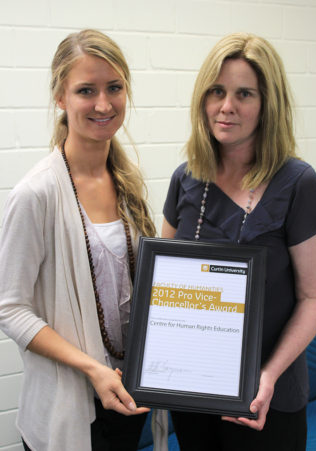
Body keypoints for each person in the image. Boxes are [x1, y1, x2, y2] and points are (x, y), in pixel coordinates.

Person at [162, 32, 316, 451]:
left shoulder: (298, 182)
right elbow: (161, 287)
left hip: (266, 400)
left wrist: (267, 377)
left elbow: (313, 298)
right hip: (193, 392)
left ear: (268, 104)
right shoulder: (186, 178)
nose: (226, 106)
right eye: (217, 91)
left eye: (244, 93)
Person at [0, 29, 156, 451]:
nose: (104, 104)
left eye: (115, 88)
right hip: (70, 409)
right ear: (61, 98)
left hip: (128, 397)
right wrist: (93, 369)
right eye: (86, 90)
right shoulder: (37, 194)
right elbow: (10, 309)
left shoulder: (128, 184)